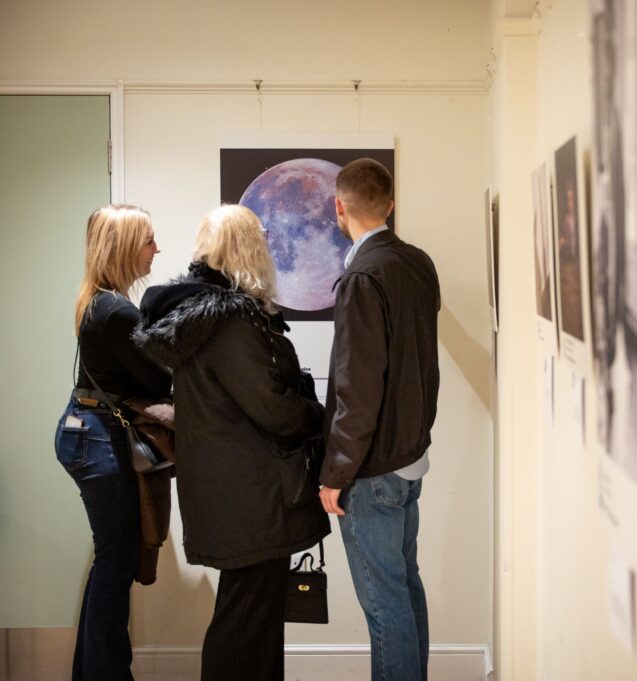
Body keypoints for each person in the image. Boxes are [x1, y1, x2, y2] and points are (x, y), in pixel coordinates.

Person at [133, 205, 328, 681]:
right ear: (248, 249)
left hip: (230, 489)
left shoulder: (202, 316)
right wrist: (321, 417)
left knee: (252, 618)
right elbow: (272, 406)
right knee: (245, 622)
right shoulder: (231, 320)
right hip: (252, 494)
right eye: (261, 239)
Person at [318, 158, 441, 681]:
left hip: (372, 470)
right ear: (390, 205)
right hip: (411, 457)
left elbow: (358, 388)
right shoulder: (418, 263)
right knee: (404, 586)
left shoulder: (363, 277)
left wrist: (334, 473)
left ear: (338, 207)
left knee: (385, 602)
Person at [54, 204, 171, 681]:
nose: (156, 249)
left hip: (88, 431)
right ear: (125, 248)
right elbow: (158, 379)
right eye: (149, 241)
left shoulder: (99, 302)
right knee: (117, 561)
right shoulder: (116, 310)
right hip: (98, 437)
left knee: (112, 559)